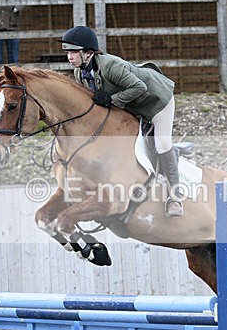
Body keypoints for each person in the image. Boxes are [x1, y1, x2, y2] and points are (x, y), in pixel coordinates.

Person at [60, 26, 184, 217]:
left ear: (88, 53)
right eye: (68, 52)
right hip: (131, 105)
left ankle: (175, 197)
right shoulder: (80, 73)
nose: (70, 57)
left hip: (156, 100)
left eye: (74, 52)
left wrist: (112, 100)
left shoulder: (110, 66)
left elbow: (139, 87)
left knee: (162, 142)